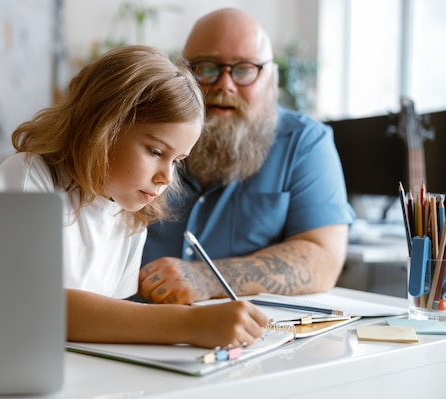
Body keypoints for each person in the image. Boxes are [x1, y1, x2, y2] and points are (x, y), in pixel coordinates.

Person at [0, 45, 269, 349]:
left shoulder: (130, 211)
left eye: (176, 161)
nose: (166, 177)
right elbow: (32, 306)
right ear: (102, 127)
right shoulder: (30, 175)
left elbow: (112, 321)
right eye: (155, 151)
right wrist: (189, 325)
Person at [139, 8, 355, 304]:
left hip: (249, 338)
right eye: (206, 67)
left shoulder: (304, 142)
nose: (224, 84)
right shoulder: (138, 129)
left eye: (244, 69)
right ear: (182, 70)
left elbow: (322, 258)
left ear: (271, 79)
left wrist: (207, 277)